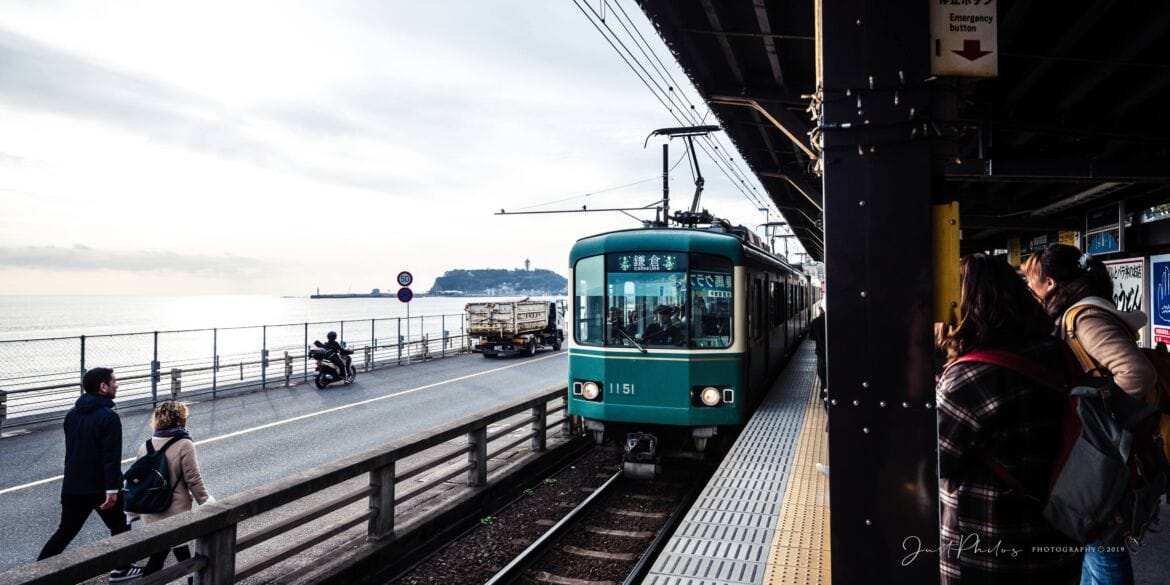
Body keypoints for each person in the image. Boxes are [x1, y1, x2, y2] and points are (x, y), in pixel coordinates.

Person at [936, 254, 1082, 585]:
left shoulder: (969, 378)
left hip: (990, 554)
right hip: (1058, 543)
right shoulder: (1057, 353)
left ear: (962, 308)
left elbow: (935, 461)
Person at [1023, 244, 1154, 585]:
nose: (1027, 287)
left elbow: (1137, 374)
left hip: (1100, 450)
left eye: (1030, 279)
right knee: (1092, 538)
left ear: (1050, 283)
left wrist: (1094, 420)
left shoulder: (1083, 317)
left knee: (1101, 540)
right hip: (1100, 449)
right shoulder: (1077, 314)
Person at [37, 367, 144, 582]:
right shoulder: (109, 417)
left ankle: (36, 574)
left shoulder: (71, 415)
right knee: (121, 525)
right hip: (100, 487)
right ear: (103, 387)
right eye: (114, 381)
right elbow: (110, 457)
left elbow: (75, 452)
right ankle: (121, 570)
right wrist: (112, 490)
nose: (117, 384)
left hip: (73, 486)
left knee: (65, 531)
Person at [138, 401, 213, 577]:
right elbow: (193, 479)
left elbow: (138, 480)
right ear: (180, 419)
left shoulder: (146, 445)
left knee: (164, 553)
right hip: (175, 510)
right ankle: (192, 580)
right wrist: (207, 503)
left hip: (151, 509)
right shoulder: (184, 444)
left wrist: (134, 511)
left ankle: (189, 579)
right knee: (171, 554)